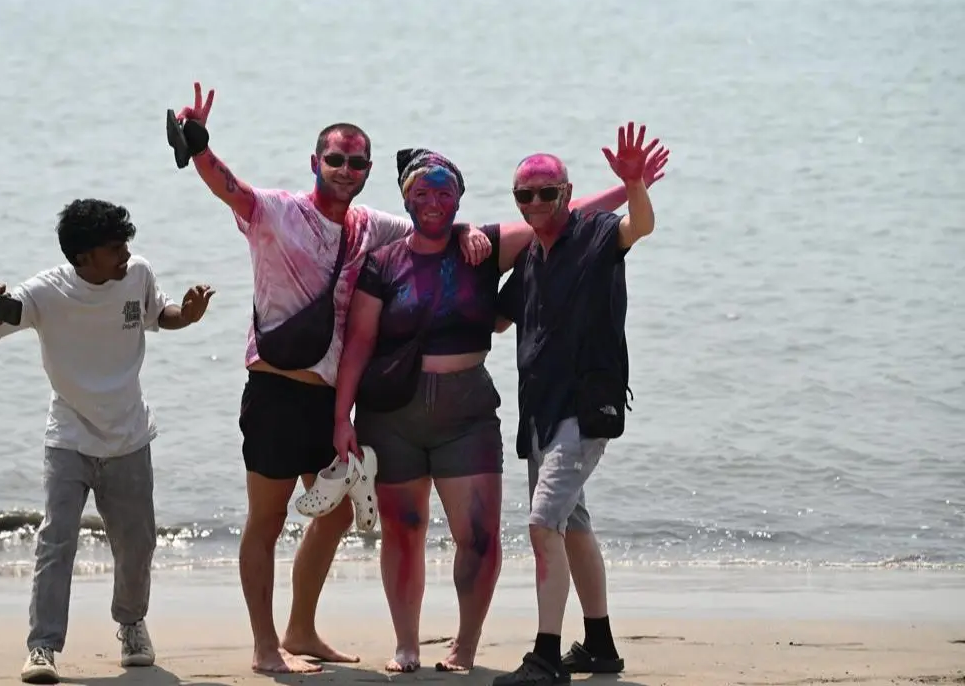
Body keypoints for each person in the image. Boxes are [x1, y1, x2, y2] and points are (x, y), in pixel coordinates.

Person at [167, 81, 494, 674]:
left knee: (338, 513)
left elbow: (431, 226)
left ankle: (301, 628)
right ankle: (267, 649)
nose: (346, 169)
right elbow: (228, 188)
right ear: (315, 162)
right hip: (274, 388)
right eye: (336, 159)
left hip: (333, 404)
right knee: (265, 521)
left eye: (357, 161)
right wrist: (200, 148)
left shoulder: (374, 227)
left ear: (369, 169)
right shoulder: (275, 211)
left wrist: (467, 230)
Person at [331, 145, 666, 675]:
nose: (433, 202)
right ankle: (415, 646)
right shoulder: (397, 262)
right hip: (428, 412)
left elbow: (597, 222)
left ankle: (503, 650)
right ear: (406, 198)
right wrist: (340, 418)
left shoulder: (535, 243)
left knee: (509, 530)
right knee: (421, 529)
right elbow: (366, 340)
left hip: (510, 412)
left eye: (444, 193)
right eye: (422, 193)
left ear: (459, 198)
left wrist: (632, 184)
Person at [0, 198, 215, 685]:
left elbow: (157, 315)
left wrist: (185, 315)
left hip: (128, 436)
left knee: (137, 543)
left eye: (126, 242)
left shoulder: (136, 273)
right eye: (114, 246)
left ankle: (132, 625)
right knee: (57, 541)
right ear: (82, 257)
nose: (125, 252)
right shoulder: (44, 292)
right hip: (69, 437)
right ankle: (42, 647)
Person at [491, 123, 665, 686]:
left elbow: (640, 226)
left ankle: (545, 655)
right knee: (573, 525)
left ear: (567, 194)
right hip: (540, 414)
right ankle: (600, 648)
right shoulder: (528, 264)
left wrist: (634, 184)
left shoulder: (594, 234)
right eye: (526, 195)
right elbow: (489, 320)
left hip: (584, 410)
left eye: (547, 192)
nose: (537, 203)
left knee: (543, 524)